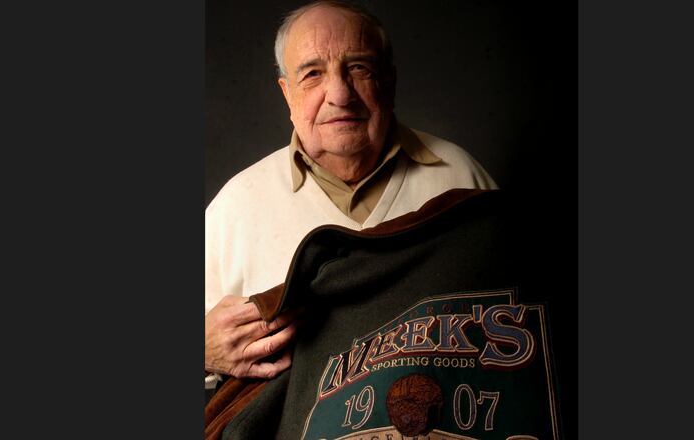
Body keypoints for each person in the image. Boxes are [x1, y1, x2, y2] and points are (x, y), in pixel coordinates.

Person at [204, 0, 498, 390]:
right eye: (312, 74)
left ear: (389, 81)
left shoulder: (461, 178)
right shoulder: (234, 208)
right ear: (287, 93)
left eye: (359, 68)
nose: (340, 95)